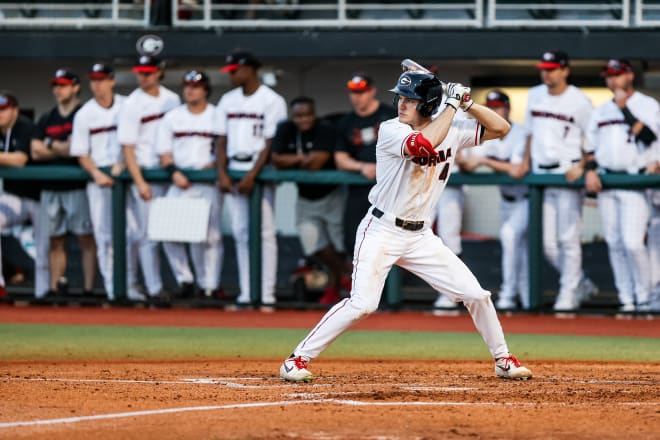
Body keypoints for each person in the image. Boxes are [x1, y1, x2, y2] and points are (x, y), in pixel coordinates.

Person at [279, 67, 533, 382]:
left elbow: (501, 127)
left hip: (421, 236)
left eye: (410, 99)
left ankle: (503, 359)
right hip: (381, 230)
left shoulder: (451, 127)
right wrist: (451, 105)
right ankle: (297, 359)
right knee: (363, 304)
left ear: (427, 105)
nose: (401, 104)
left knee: (477, 295)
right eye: (401, 97)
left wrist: (467, 103)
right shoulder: (390, 129)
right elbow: (423, 145)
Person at [523, 50, 598, 312]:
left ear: (565, 70)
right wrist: (524, 162)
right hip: (540, 176)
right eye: (544, 68)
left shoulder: (580, 101)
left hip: (567, 173)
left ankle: (568, 292)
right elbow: (529, 134)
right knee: (545, 243)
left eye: (552, 68)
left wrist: (582, 166)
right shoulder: (534, 94)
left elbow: (593, 141)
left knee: (568, 239)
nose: (547, 72)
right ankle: (579, 282)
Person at [583, 59, 658, 312]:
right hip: (608, 181)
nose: (612, 80)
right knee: (614, 242)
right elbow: (590, 149)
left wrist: (624, 109)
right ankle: (627, 299)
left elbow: (650, 138)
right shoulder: (601, 111)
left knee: (633, 243)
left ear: (629, 76)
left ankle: (645, 297)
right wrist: (591, 172)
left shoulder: (647, 105)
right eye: (608, 75)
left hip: (635, 181)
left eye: (617, 75)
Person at [215, 50, 287, 306]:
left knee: (265, 233)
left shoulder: (272, 100)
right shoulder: (227, 100)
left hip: (260, 169)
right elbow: (220, 139)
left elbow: (270, 142)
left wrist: (252, 175)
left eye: (235, 71)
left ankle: (265, 294)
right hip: (235, 166)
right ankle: (247, 292)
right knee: (241, 232)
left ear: (250, 70)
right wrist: (222, 173)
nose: (231, 75)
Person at [70, 63, 144, 301]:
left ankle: (130, 285)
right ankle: (114, 289)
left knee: (135, 233)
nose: (97, 84)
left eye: (102, 79)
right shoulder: (85, 113)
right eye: (94, 80)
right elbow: (81, 152)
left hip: (127, 178)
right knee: (104, 237)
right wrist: (96, 173)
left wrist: (123, 163)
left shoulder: (127, 105)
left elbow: (135, 141)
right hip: (100, 181)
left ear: (112, 81)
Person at [271, 96, 352, 305]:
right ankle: (346, 275)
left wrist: (292, 161)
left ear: (313, 114)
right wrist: (301, 160)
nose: (303, 120)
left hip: (332, 194)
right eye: (298, 115)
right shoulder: (286, 129)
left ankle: (336, 287)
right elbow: (276, 160)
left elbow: (316, 163)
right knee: (313, 244)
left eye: (307, 115)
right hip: (305, 197)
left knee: (340, 245)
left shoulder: (324, 128)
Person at [117, 55, 181, 302]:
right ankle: (154, 288)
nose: (143, 77)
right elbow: (128, 148)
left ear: (158, 73)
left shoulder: (172, 99)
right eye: (140, 72)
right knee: (147, 234)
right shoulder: (133, 103)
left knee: (174, 230)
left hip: (169, 172)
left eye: (148, 72)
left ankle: (184, 282)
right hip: (145, 174)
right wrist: (140, 182)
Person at [459, 90, 530, 310]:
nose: (495, 110)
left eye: (498, 106)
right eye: (490, 107)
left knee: (512, 239)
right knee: (520, 251)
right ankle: (526, 301)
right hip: (506, 200)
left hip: (527, 199)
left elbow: (518, 170)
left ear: (508, 108)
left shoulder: (520, 132)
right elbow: (468, 164)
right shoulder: (487, 132)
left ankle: (509, 295)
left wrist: (485, 161)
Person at [156, 70, 224, 299]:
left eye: (195, 86)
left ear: (205, 89)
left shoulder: (217, 115)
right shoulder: (173, 116)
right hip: (181, 180)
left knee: (209, 236)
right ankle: (185, 279)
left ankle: (209, 286)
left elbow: (225, 148)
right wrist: (173, 172)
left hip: (207, 183)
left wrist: (216, 166)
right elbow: (163, 151)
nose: (190, 90)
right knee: (168, 233)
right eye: (186, 85)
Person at [31, 68, 96, 298]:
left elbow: (75, 149)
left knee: (85, 238)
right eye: (55, 86)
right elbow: (35, 151)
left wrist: (50, 145)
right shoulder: (48, 117)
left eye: (63, 85)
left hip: (77, 186)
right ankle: (55, 286)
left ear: (76, 87)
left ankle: (88, 289)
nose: (58, 90)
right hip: (51, 186)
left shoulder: (83, 113)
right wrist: (59, 146)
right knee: (55, 240)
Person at [334, 72, 396, 256]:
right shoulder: (346, 122)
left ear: (372, 91)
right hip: (360, 190)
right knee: (353, 240)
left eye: (361, 92)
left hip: (390, 189)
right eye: (353, 93)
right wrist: (362, 167)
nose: (357, 97)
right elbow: (340, 159)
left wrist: (383, 167)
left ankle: (389, 285)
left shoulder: (391, 115)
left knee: (389, 242)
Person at [0, 91, 49, 299]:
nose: (0, 114)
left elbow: (20, 160)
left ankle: (44, 293)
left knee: (44, 247)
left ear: (14, 111)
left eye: (4, 110)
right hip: (14, 197)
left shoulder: (25, 126)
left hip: (40, 197)